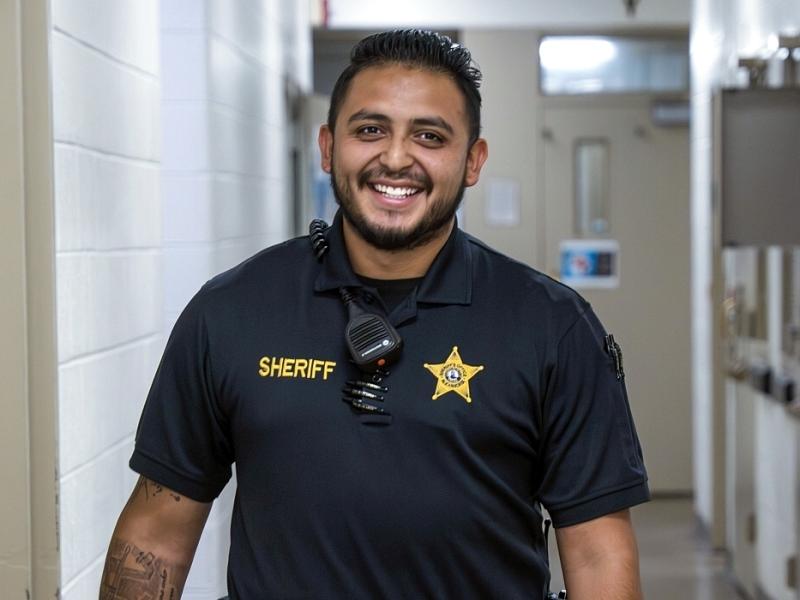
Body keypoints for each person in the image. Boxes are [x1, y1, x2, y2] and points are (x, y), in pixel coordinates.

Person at [100, 29, 649, 600]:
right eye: (370, 130)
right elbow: (157, 533)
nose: (395, 158)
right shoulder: (230, 313)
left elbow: (597, 551)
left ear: (473, 161)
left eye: (429, 136)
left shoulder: (551, 326)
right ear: (328, 147)